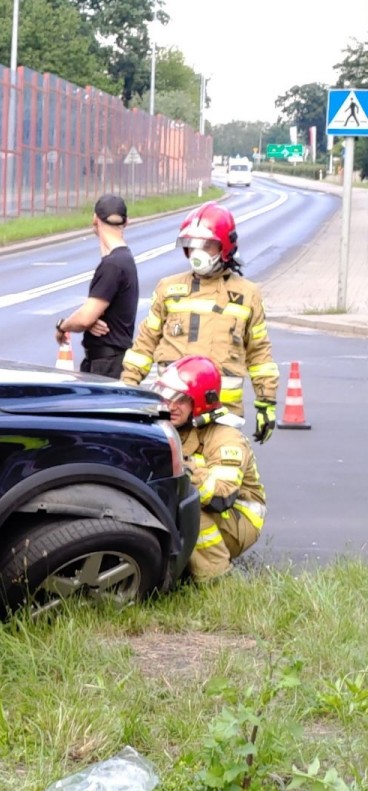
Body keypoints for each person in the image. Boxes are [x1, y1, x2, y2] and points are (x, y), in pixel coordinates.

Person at [121, 202, 279, 441]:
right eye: (191, 247)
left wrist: (266, 402)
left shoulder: (247, 294)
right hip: (173, 411)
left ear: (225, 246)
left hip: (222, 416)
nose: (197, 254)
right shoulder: (168, 289)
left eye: (206, 245)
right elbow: (144, 344)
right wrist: (128, 389)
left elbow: (259, 354)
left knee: (222, 474)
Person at [153, 355, 266, 580]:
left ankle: (215, 579)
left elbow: (222, 496)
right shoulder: (177, 425)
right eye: (167, 396)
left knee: (189, 511)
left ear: (200, 401)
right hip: (216, 507)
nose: (171, 406)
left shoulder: (226, 438)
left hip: (238, 517)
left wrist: (184, 468)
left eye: (181, 399)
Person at [54, 194, 139, 378]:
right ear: (126, 222)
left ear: (95, 219)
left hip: (106, 365)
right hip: (112, 362)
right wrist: (89, 320)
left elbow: (85, 317)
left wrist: (63, 326)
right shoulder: (124, 259)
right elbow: (91, 315)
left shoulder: (112, 265)